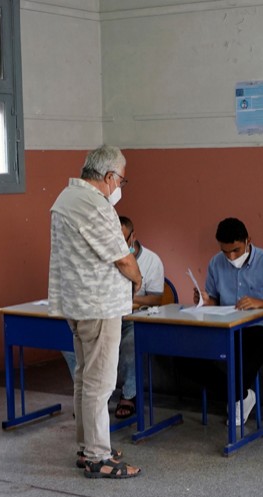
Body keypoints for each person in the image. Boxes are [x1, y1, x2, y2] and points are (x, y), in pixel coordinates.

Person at [48, 145, 143, 479]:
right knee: (100, 384)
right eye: (121, 180)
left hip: (75, 303)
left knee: (84, 378)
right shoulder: (95, 205)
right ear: (108, 176)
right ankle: (98, 456)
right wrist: (138, 278)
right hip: (99, 306)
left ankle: (86, 445)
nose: (120, 187)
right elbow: (123, 258)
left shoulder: (65, 199)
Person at [62, 216, 166, 418]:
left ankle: (129, 395)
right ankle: (93, 395)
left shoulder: (151, 260)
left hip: (134, 319)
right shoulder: (101, 256)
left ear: (132, 237)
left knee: (132, 343)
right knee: (70, 345)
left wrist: (134, 301)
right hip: (103, 315)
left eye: (122, 240)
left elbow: (157, 298)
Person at [193, 218, 263, 425]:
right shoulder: (216, 263)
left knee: (243, 355)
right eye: (226, 251)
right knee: (187, 356)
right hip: (228, 326)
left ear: (248, 241)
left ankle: (236, 396)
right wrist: (205, 300)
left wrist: (261, 303)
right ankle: (241, 396)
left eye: (236, 250)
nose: (231, 257)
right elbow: (215, 301)